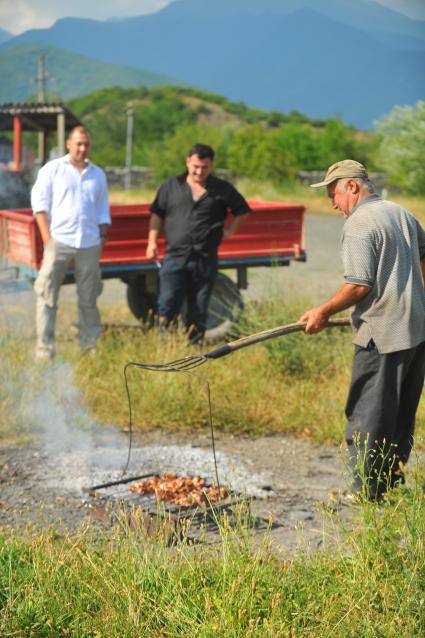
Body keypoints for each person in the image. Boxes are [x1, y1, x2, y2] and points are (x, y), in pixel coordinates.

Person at [299, 159, 425, 501]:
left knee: (368, 415)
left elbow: (359, 286)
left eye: (333, 194)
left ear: (351, 186)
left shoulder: (359, 223)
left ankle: (367, 493)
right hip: (415, 333)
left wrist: (322, 311)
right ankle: (391, 486)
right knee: (400, 414)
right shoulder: (401, 214)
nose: (332, 204)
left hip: (381, 336)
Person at [146, 143, 250, 342]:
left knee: (199, 306)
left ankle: (194, 348)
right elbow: (157, 214)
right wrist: (151, 242)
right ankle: (164, 345)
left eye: (204, 167)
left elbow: (242, 210)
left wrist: (229, 231)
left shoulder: (222, 189)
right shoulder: (171, 186)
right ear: (187, 162)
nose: (199, 171)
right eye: (195, 166)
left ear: (211, 166)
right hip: (175, 256)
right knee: (167, 303)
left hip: (205, 258)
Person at [31, 126, 111, 359]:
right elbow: (40, 206)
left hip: (89, 242)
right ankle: (45, 350)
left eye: (86, 144)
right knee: (47, 295)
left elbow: (103, 211)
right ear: (68, 144)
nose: (82, 148)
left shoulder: (98, 174)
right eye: (78, 143)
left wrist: (102, 239)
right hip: (60, 240)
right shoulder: (53, 169)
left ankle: (89, 347)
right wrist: (48, 239)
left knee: (89, 297)